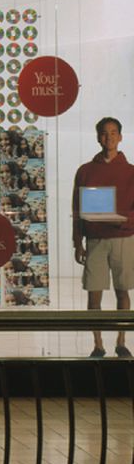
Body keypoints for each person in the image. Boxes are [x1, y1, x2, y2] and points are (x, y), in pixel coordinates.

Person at [72, 116, 134, 359]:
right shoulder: (85, 171)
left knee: (122, 291)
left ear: (120, 136)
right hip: (95, 240)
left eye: (113, 133)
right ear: (98, 137)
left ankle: (121, 341)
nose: (108, 138)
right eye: (104, 133)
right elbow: (77, 209)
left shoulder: (131, 172)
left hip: (123, 239)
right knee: (94, 293)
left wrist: (123, 220)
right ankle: (98, 345)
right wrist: (77, 242)